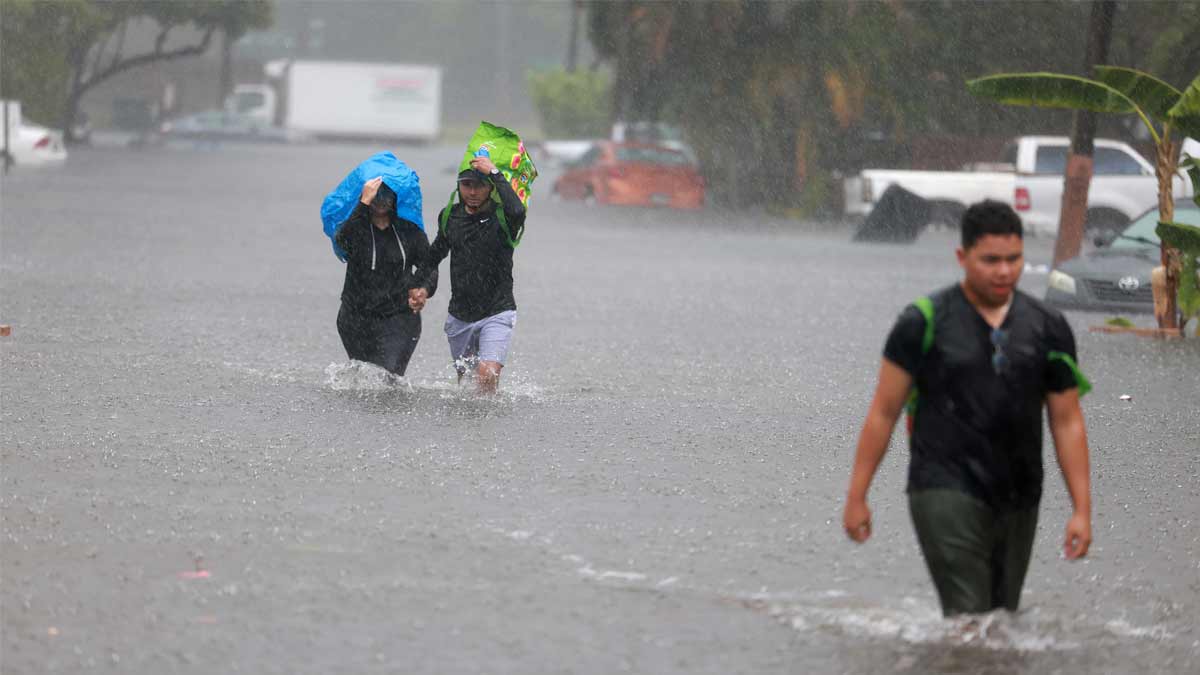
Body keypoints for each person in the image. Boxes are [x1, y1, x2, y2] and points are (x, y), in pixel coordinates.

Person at [841, 200, 1093, 616]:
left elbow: (1066, 422)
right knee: (969, 615)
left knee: (1001, 621)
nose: (1003, 271)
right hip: (943, 486)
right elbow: (883, 412)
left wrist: (1081, 510)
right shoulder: (922, 322)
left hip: (1019, 491)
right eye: (990, 260)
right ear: (963, 257)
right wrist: (857, 496)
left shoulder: (1048, 327)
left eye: (1013, 259)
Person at [410, 155, 525, 394]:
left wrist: (494, 171)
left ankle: (489, 428)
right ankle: (469, 427)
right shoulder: (449, 216)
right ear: (459, 186)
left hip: (498, 309)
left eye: (479, 185)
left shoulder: (504, 216)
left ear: (490, 188)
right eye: (466, 185)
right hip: (460, 314)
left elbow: (518, 209)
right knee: (467, 385)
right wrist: (419, 285)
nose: (472, 192)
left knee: (487, 374)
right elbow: (435, 254)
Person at [334, 177, 437, 376]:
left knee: (389, 376)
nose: (381, 200)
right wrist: (362, 205)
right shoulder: (356, 228)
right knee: (365, 378)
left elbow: (429, 266)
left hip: (399, 316)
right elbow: (343, 242)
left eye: (386, 194)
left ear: (396, 197)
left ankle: (393, 408)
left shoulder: (410, 231)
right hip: (355, 316)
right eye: (375, 195)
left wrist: (424, 288)